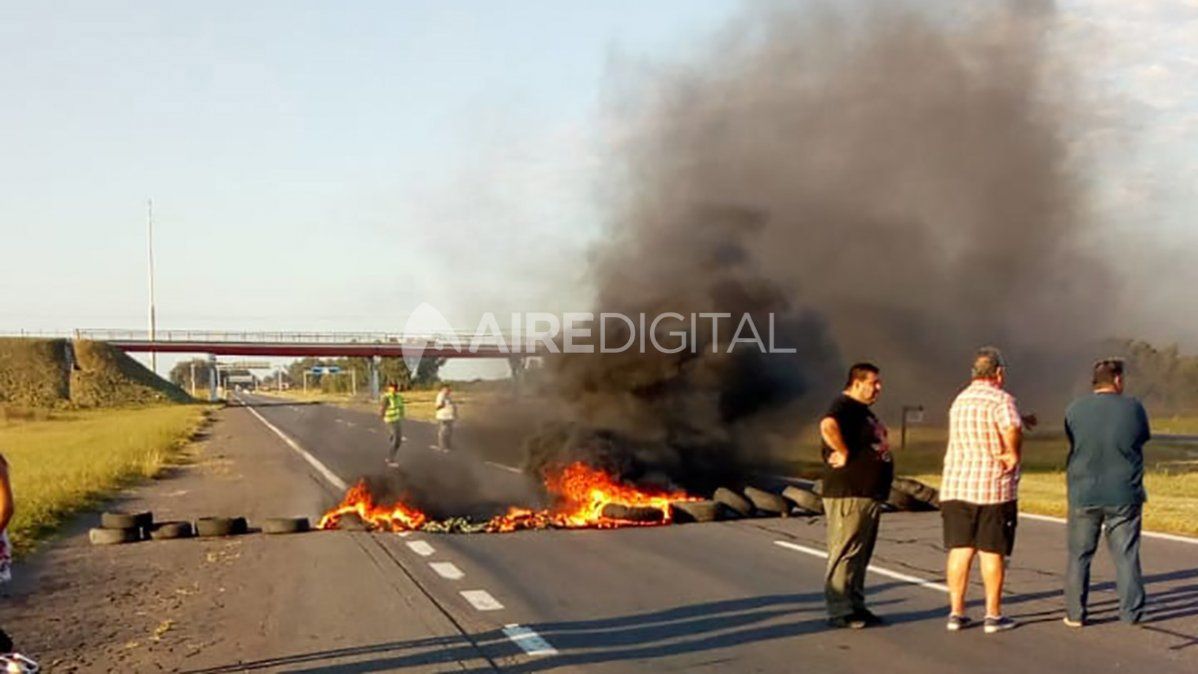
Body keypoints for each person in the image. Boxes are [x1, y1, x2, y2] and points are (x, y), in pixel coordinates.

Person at [940, 347, 1024, 634]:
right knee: (992, 552)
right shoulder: (1001, 399)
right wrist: (1012, 452)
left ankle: (956, 612)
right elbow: (1011, 428)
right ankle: (993, 615)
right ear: (998, 373)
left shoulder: (959, 400)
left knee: (960, 550)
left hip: (957, 485)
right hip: (992, 489)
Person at [1063, 358, 1149, 627]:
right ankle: (1130, 612)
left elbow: (1073, 441)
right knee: (1126, 554)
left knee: (1079, 555)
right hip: (1123, 492)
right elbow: (1141, 437)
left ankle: (1075, 613)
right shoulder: (1133, 407)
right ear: (1118, 380)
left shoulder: (1075, 409)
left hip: (1083, 491)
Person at [819, 362, 893, 629]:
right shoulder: (844, 406)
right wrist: (843, 451)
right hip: (849, 492)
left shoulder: (862, 411)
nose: (879, 387)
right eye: (874, 383)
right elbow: (828, 425)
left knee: (861, 555)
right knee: (846, 552)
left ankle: (856, 606)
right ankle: (840, 609)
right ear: (857, 383)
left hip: (867, 493)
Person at [380, 383, 405, 467]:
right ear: (389, 388)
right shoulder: (386, 397)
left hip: (397, 420)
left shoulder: (399, 397)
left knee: (398, 440)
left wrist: (402, 415)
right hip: (389, 420)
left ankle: (392, 439)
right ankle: (390, 460)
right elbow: (383, 409)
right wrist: (382, 417)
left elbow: (401, 407)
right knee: (396, 439)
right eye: (392, 388)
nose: (393, 389)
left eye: (395, 388)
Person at [434, 385, 457, 451]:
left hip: (449, 416)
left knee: (449, 432)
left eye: (449, 390)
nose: (448, 391)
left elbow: (452, 405)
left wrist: (454, 413)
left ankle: (448, 446)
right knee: (443, 432)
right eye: (447, 390)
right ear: (442, 390)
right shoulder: (441, 396)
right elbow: (438, 406)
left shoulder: (448, 397)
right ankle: (442, 446)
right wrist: (442, 405)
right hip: (443, 416)